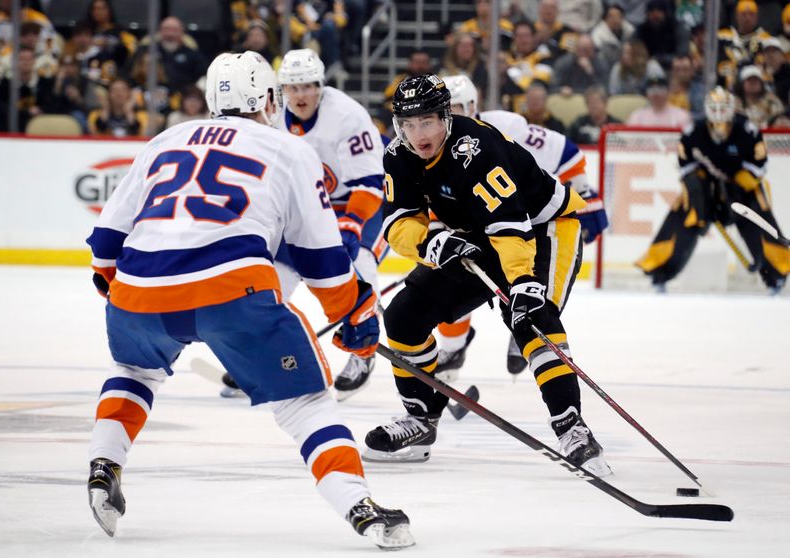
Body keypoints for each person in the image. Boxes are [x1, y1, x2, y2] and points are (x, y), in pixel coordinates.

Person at [84, 50, 414, 550]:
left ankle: (103, 465)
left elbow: (107, 238)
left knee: (134, 371)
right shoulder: (288, 149)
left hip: (137, 286)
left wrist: (119, 290)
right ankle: (361, 508)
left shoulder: (165, 139)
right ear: (266, 97)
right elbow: (321, 257)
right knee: (305, 403)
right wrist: (354, 312)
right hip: (232, 290)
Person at [362, 73, 611, 480]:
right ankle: (421, 419)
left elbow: (510, 223)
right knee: (404, 316)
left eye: (427, 122)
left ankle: (572, 427)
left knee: (530, 317)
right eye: (408, 124)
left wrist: (523, 280)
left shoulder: (475, 148)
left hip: (542, 227)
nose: (418, 134)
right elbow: (398, 222)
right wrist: (428, 243)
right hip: (478, 232)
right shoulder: (398, 155)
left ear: (445, 116)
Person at [219, 49, 385, 401]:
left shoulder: (348, 117)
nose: (300, 95)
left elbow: (371, 183)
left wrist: (352, 224)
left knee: (361, 271)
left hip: (358, 204)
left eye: (308, 86)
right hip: (306, 206)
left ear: (321, 85)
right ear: (281, 90)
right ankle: (261, 357)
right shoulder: (271, 117)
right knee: (271, 281)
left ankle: (362, 355)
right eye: (292, 87)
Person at [435, 73, 608, 378]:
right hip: (471, 223)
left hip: (517, 221)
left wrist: (583, 190)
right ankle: (453, 346)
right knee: (450, 277)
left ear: (473, 105)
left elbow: (564, 151)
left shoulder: (505, 126)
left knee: (523, 280)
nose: (448, 118)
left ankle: (523, 332)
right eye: (443, 110)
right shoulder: (428, 140)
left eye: (456, 108)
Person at [636, 86, 790, 293]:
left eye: (723, 108)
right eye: (714, 108)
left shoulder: (747, 130)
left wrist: (746, 177)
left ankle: (776, 276)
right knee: (683, 218)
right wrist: (697, 186)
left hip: (741, 190)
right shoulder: (693, 132)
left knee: (758, 221)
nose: (718, 113)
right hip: (705, 189)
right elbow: (685, 166)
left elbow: (760, 164)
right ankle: (659, 274)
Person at [627, 76, 692, 128]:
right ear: (646, 94)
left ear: (669, 92)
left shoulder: (682, 115)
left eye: (660, 89)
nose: (656, 93)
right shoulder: (637, 116)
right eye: (652, 90)